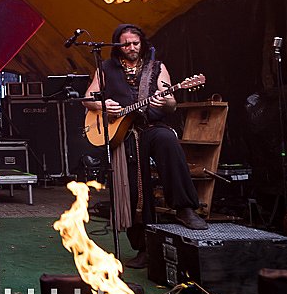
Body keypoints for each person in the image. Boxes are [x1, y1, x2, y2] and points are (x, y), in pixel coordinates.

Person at [82, 23, 207, 270]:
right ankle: (143, 248)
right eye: (125, 44)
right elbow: (87, 99)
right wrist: (102, 105)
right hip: (123, 133)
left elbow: (171, 105)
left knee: (167, 140)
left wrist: (167, 100)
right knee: (133, 188)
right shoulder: (106, 68)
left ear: (142, 44)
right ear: (117, 46)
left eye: (135, 43)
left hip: (151, 126)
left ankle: (184, 208)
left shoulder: (156, 68)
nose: (131, 47)